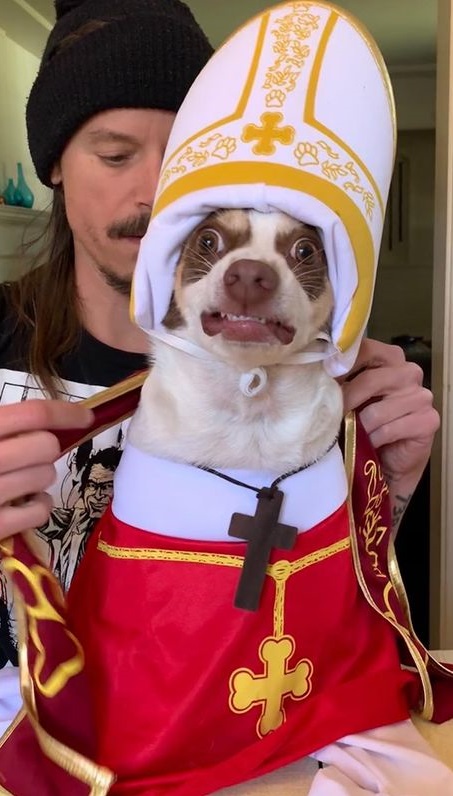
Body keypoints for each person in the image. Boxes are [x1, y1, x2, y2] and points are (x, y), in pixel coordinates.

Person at [0, 0, 439, 742]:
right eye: (115, 155)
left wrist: (380, 487)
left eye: (183, 157)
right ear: (54, 167)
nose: (153, 192)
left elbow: (327, 637)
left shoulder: (323, 387)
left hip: (254, 743)